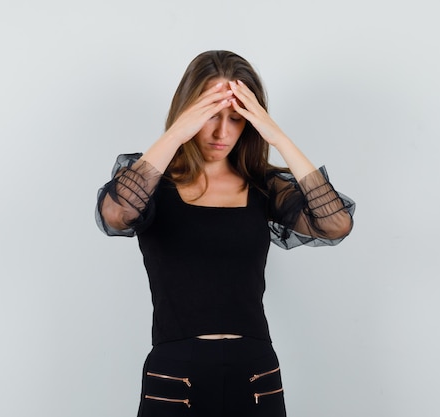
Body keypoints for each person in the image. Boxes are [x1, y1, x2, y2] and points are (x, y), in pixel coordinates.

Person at [95, 50, 355, 417]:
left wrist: (278, 137)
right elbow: (117, 214)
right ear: (187, 113)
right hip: (175, 377)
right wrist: (177, 133)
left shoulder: (263, 185)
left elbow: (336, 224)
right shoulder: (149, 183)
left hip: (255, 375)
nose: (222, 132)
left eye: (236, 119)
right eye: (210, 116)